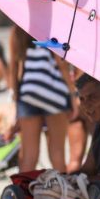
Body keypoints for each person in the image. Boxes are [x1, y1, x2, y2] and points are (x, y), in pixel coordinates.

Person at [9, 25, 77, 172]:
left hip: (28, 92)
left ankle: (23, 194)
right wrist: (73, 96)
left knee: (29, 155)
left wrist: (16, 99)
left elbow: (14, 68)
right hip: (54, 94)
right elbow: (61, 64)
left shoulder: (18, 29)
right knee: (57, 152)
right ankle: (62, 193)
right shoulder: (51, 26)